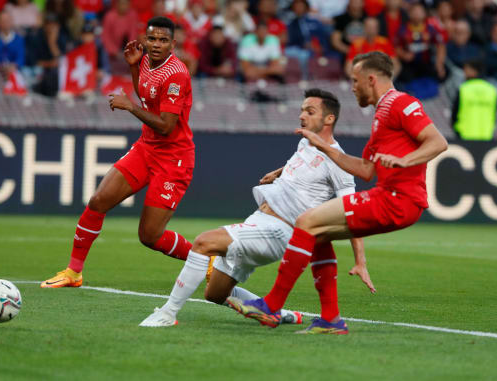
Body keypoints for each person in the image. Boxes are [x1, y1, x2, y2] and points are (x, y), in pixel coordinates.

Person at [228, 51, 448, 334]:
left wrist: (406, 161)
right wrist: (323, 146)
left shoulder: (400, 102)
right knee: (316, 234)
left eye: (355, 81)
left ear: (371, 79)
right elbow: (366, 169)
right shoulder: (381, 114)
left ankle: (270, 305)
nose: (352, 87)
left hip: (397, 199)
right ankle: (331, 319)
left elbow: (437, 142)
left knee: (306, 221)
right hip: (391, 197)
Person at [139, 88, 359, 327]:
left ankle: (168, 314)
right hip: (257, 221)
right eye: (301, 110)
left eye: (310, 111)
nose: (302, 115)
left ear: (329, 119)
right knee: (215, 294)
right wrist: (277, 173)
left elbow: (351, 211)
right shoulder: (306, 142)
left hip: (279, 231)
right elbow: (297, 168)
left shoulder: (339, 161)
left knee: (203, 243)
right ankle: (280, 314)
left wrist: (361, 261)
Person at [40, 16, 196, 288]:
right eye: (152, 39)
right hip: (146, 149)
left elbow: (167, 127)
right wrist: (135, 67)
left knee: (149, 236)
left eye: (162, 40)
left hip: (174, 158)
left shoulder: (177, 75)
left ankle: (204, 259)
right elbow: (146, 94)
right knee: (99, 200)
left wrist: (130, 106)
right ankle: (73, 272)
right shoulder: (146, 60)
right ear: (145, 39)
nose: (156, 44)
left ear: (173, 43)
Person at [452, 60, 497, 141]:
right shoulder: (492, 90)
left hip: (464, 135)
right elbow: (496, 114)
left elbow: (455, 113)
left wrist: (456, 128)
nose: (464, 73)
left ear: (474, 71)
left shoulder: (464, 88)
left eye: (466, 70)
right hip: (487, 135)